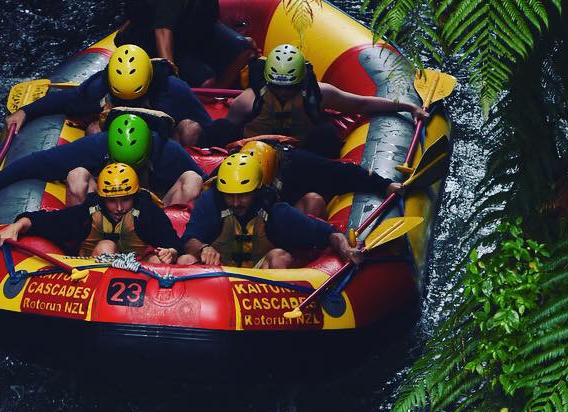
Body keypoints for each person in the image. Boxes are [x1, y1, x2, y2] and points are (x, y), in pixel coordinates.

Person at [211, 44, 429, 157]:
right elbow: (229, 136)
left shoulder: (321, 94)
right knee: (219, 128)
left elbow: (361, 104)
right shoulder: (246, 102)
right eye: (278, 87)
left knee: (325, 135)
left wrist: (407, 106)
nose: (284, 93)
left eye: (289, 87)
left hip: (302, 154)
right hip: (254, 154)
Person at [0, 112, 205, 210]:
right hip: (103, 213)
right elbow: (39, 162)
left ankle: (169, 249)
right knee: (77, 175)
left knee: (192, 180)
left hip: (154, 215)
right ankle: (79, 244)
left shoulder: (169, 151)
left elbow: (207, 187)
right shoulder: (97, 145)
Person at [177, 151, 360, 268]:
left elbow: (329, 234)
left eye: (243, 195)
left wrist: (345, 249)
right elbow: (188, 240)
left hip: (261, 281)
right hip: (218, 272)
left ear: (256, 190)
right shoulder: (211, 202)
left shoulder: (274, 210)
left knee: (279, 257)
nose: (235, 202)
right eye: (229, 195)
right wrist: (203, 248)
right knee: (185, 260)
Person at [6, 44, 211, 144]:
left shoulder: (174, 89)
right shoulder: (98, 89)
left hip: (162, 142)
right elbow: (64, 100)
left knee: (190, 129)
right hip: (119, 143)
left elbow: (206, 124)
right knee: (94, 130)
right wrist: (25, 111)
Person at [0, 162, 181, 264]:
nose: (119, 208)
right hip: (90, 273)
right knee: (106, 246)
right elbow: (47, 221)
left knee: (158, 260)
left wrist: (170, 252)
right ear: (102, 199)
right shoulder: (89, 212)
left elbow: (172, 242)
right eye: (111, 201)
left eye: (125, 199)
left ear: (135, 195)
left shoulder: (147, 211)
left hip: (136, 273)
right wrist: (17, 226)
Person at [235, 137, 402, 217]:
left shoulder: (298, 164)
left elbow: (342, 173)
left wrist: (384, 185)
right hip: (248, 226)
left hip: (280, 222)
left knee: (313, 200)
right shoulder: (231, 172)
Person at [114, 0, 256, 88]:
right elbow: (163, 32)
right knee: (206, 80)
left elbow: (208, 17)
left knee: (244, 49)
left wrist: (233, 39)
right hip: (152, 39)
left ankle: (219, 90)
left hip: (189, 33)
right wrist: (171, 74)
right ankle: (205, 96)